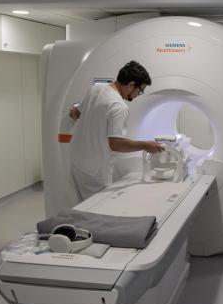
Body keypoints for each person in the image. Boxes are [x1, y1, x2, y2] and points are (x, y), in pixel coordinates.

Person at [69, 60, 164, 201]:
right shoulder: (119, 106)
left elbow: (77, 112)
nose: (139, 94)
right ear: (131, 84)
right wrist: (146, 145)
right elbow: (116, 144)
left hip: (77, 161)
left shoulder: (96, 88)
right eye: (140, 90)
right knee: (97, 208)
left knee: (83, 205)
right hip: (94, 170)